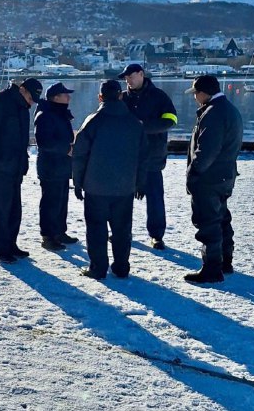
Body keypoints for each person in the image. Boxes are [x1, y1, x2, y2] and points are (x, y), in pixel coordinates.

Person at [72, 80, 148, 280]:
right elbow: (144, 156)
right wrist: (140, 182)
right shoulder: (134, 123)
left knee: (96, 228)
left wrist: (78, 182)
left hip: (96, 186)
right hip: (125, 187)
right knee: (122, 229)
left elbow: (80, 154)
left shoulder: (93, 121)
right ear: (120, 96)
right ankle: (121, 267)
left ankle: (98, 268)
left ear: (100, 97)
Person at [0, 78, 43, 263]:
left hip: (15, 168)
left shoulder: (22, 107)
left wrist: (22, 161)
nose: (31, 103)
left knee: (13, 210)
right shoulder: (0, 102)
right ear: (22, 90)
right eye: (31, 97)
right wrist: (0, 156)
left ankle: (11, 245)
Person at [184, 75, 243, 284]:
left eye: (195, 94)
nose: (194, 98)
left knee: (208, 222)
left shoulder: (213, 113)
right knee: (221, 218)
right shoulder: (229, 109)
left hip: (209, 178)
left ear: (203, 93)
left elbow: (206, 150)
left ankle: (212, 269)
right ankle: (225, 261)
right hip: (225, 175)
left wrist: (194, 173)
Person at [119, 63, 177, 250]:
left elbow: (171, 120)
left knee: (154, 198)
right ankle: (122, 231)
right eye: (126, 77)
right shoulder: (122, 98)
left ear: (141, 74)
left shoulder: (159, 96)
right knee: (122, 198)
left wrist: (144, 127)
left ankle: (157, 235)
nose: (128, 80)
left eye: (131, 76)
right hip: (127, 158)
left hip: (153, 155)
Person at [34, 82, 78, 251]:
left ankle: (59, 232)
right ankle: (48, 236)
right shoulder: (45, 115)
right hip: (50, 166)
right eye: (65, 94)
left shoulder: (59, 113)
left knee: (61, 201)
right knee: (50, 202)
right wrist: (67, 149)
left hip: (62, 166)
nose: (69, 97)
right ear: (55, 97)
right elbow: (44, 142)